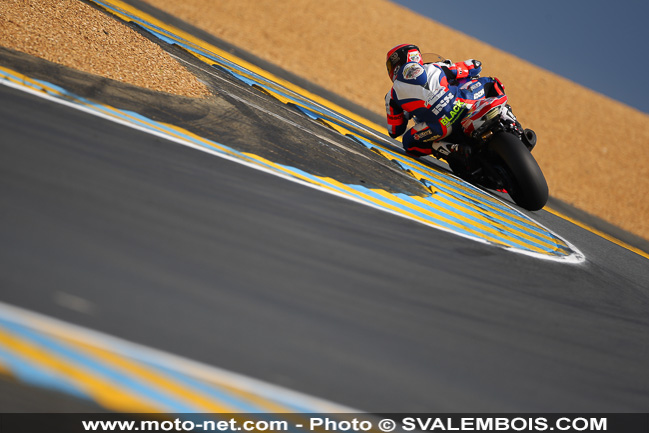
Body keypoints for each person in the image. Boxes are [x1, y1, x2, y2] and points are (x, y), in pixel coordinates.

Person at [384, 44, 506, 162]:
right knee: (492, 82)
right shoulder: (437, 66)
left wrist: (406, 111)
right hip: (464, 103)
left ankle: (451, 149)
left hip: (440, 126)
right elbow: (473, 67)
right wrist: (474, 65)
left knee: (408, 143)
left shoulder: (392, 95)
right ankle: (505, 114)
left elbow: (395, 131)